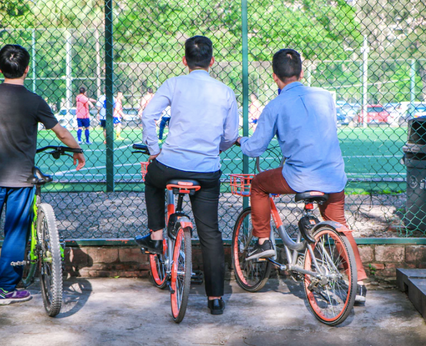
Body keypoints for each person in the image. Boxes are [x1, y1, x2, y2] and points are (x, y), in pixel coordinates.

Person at [236, 48, 368, 305]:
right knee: (338, 223)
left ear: (275, 78)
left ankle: (263, 240)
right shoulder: (325, 97)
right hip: (333, 174)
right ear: (302, 72)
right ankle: (359, 282)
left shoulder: (275, 105)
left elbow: (255, 148)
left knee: (259, 184)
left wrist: (240, 140)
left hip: (299, 176)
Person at [0, 44, 86, 306]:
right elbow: (61, 132)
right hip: (21, 178)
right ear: (27, 68)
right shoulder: (34, 101)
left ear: (0, 69)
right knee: (15, 232)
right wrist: (77, 150)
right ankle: (6, 290)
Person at [135, 36, 239, 315]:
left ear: (184, 61)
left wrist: (154, 150)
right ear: (212, 61)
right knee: (211, 232)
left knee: (152, 181)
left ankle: (156, 235)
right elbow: (230, 136)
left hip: (169, 164)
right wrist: (213, 150)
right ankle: (215, 298)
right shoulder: (225, 91)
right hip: (206, 170)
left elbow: (148, 116)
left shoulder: (174, 83)